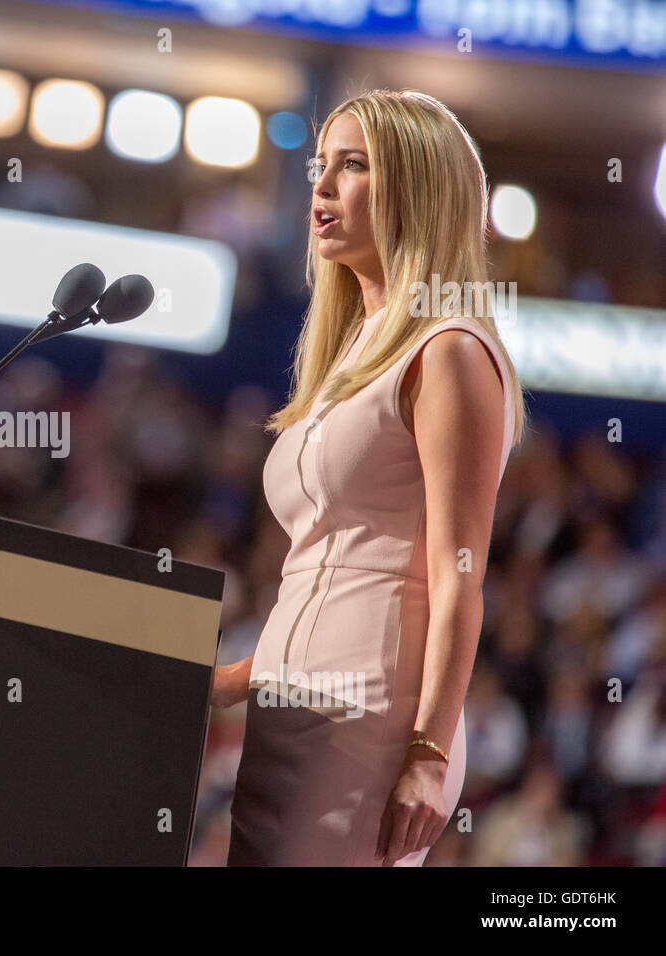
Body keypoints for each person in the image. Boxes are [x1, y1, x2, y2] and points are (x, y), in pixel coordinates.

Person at [209, 89, 528, 866]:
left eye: (352, 166)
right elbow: (329, 563)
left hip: (369, 721)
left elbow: (458, 574)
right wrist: (242, 677)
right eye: (321, 166)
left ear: (418, 192)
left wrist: (428, 751)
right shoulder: (350, 359)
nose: (320, 186)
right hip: (290, 704)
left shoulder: (449, 351)